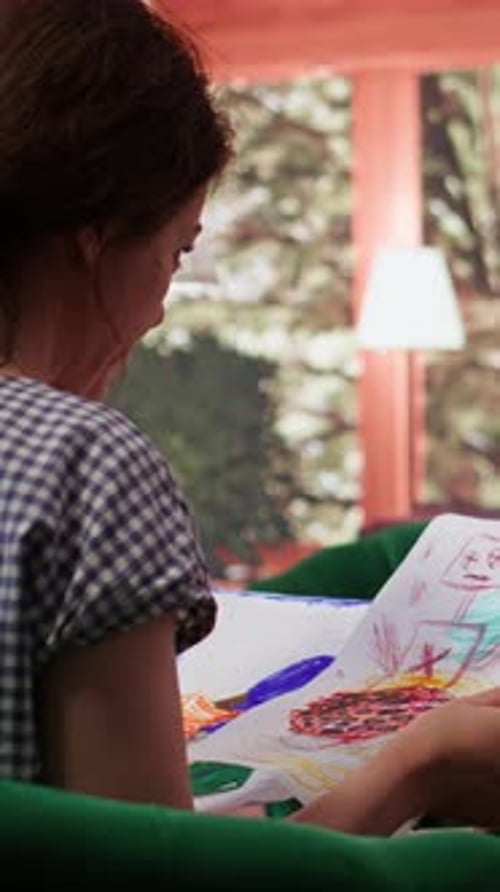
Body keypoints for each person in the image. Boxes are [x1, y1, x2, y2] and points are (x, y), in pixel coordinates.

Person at [2, 0, 500, 841]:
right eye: (178, 251)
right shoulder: (82, 460)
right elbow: (149, 876)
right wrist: (427, 759)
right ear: (97, 231)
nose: (159, 308)